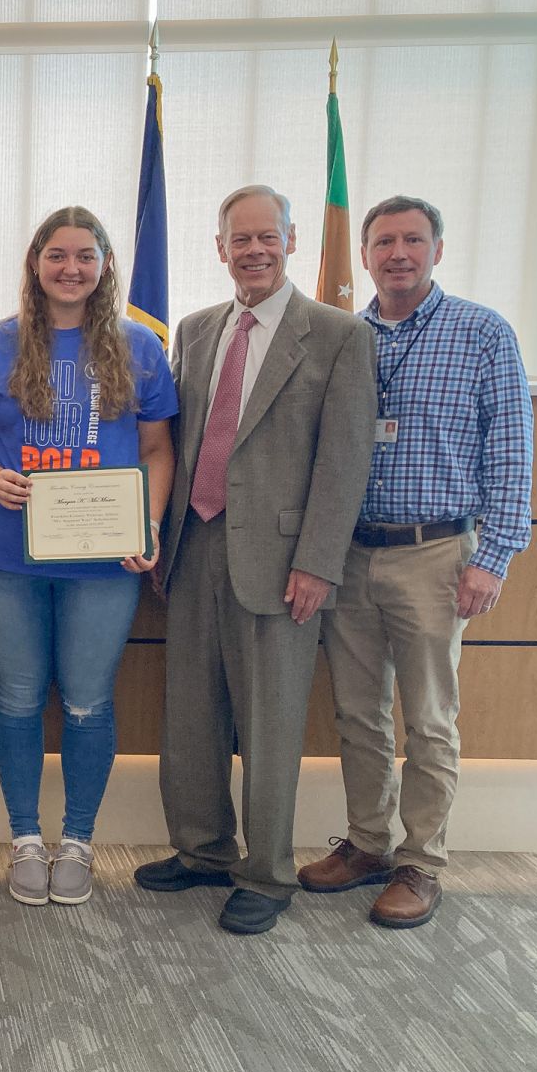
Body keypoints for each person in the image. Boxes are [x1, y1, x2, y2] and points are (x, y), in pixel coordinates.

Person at [135, 185, 376, 935]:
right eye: (239, 240)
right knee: (191, 715)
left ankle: (265, 872)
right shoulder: (197, 328)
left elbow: (343, 463)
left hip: (281, 560)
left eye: (266, 237)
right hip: (193, 543)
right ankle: (203, 850)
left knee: (269, 722)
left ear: (291, 240)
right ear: (219, 249)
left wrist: (318, 563)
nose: (253, 251)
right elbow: (175, 441)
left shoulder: (336, 334)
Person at [300, 196, 533, 929]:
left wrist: (490, 558)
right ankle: (368, 844)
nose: (397, 253)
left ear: (436, 248)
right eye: (382, 242)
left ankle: (420, 862)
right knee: (356, 715)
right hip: (348, 551)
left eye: (411, 240)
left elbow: (511, 455)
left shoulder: (482, 334)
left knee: (429, 719)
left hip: (434, 553)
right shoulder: (343, 335)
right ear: (363, 254)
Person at [0, 207, 176, 907]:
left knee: (86, 702)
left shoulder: (140, 347)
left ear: (106, 264)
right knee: (18, 699)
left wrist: (147, 522)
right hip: (8, 557)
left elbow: (155, 451)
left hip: (103, 560)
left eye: (85, 255)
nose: (70, 268)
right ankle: (24, 838)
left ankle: (77, 840)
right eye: (57, 254)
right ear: (34, 261)